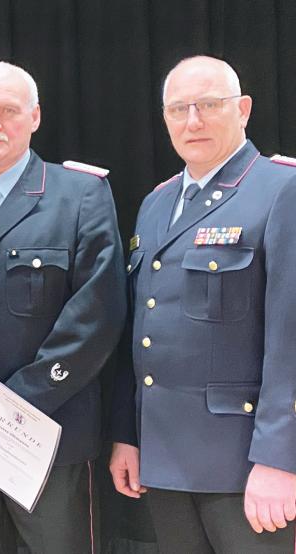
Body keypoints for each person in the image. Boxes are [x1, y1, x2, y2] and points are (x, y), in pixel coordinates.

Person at [0, 61, 125, 553]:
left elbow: (96, 316)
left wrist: (14, 406)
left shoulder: (79, 195)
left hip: (48, 432)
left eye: (8, 110)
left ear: (35, 117)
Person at [109, 55, 296, 552]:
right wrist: (129, 434)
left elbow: (290, 339)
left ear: (244, 110)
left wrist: (282, 459)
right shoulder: (156, 205)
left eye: (209, 105)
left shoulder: (282, 191)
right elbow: (141, 332)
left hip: (246, 467)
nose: (193, 121)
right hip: (165, 459)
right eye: (178, 109)